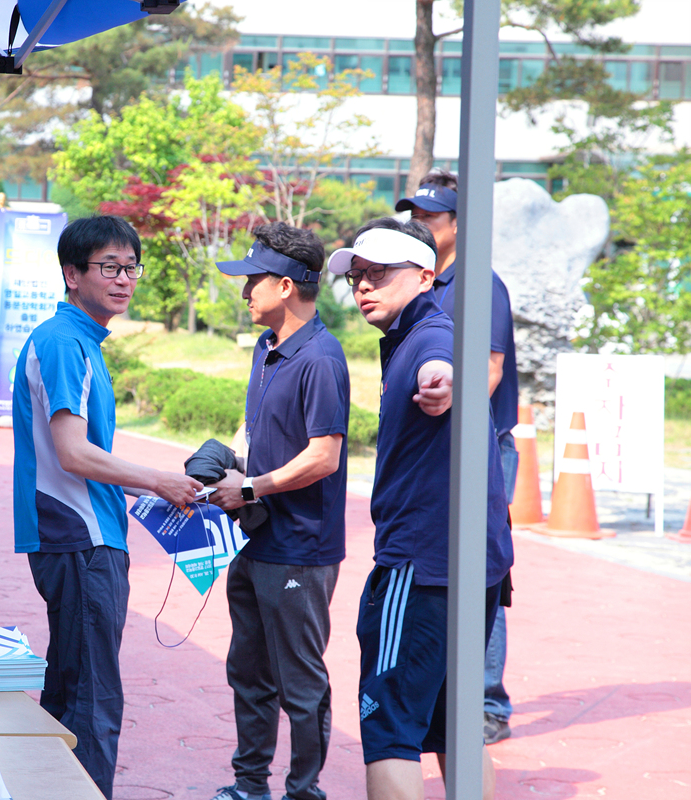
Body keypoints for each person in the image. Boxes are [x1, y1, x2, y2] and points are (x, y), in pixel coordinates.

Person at [12, 215, 202, 800]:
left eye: (131, 268)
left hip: (82, 536)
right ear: (72, 275)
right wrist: (158, 481)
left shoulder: (80, 341)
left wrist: (155, 488)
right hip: (81, 538)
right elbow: (73, 453)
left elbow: (83, 454)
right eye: (109, 267)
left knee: (70, 692)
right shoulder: (65, 342)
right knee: (92, 701)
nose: (124, 279)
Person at [327, 218, 513, 800]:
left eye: (380, 273)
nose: (364, 285)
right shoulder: (417, 334)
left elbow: (443, 364)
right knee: (456, 725)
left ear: (427, 276)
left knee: (389, 728)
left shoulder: (430, 336)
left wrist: (442, 382)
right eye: (358, 275)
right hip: (471, 562)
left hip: (423, 565)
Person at [205, 223, 350, 800]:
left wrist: (250, 488)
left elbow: (324, 456)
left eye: (253, 281)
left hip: (300, 549)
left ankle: (304, 791)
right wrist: (225, 465)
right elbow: (266, 438)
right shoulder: (267, 350)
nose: (245, 292)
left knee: (300, 682)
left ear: (286, 286)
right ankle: (250, 786)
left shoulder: (322, 358)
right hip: (256, 539)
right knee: (247, 670)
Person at [395, 171, 518, 745]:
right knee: (445, 571)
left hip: (481, 446)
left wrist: (448, 405)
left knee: (484, 572)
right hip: (440, 447)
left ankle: (487, 702)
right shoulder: (423, 284)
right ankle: (450, 696)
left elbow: (488, 371)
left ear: (458, 224)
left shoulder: (478, 284)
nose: (418, 223)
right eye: (413, 215)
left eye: (429, 216)